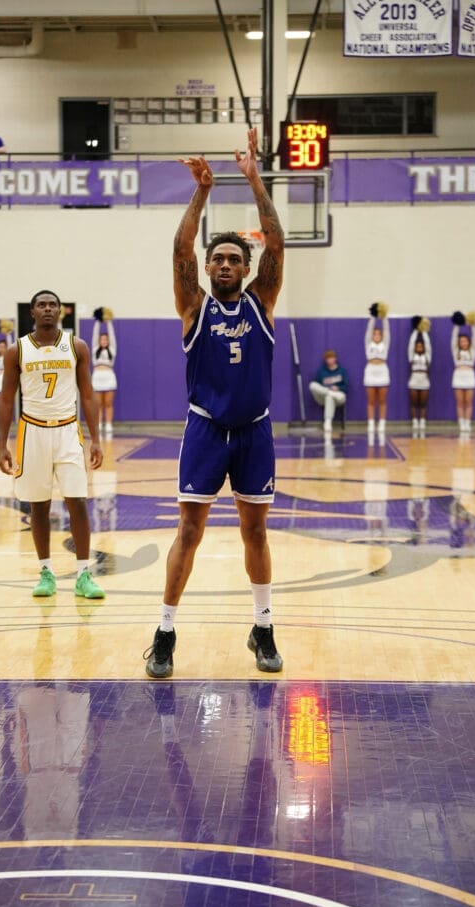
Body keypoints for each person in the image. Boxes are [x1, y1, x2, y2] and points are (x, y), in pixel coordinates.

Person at [143, 127, 284, 679]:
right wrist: (201, 190)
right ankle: (164, 631)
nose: (225, 264)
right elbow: (179, 248)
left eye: (233, 259)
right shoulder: (193, 307)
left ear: (247, 269)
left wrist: (253, 178)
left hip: (254, 432)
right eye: (217, 259)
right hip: (205, 432)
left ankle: (264, 626)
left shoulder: (262, 304)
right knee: (189, 533)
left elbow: (276, 241)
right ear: (207, 268)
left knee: (255, 532)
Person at [0, 289, 106, 599]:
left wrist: (96, 439)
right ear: (32, 312)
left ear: (62, 311)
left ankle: (84, 574)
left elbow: (87, 395)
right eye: (41, 305)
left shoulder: (77, 346)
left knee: (78, 502)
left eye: (52, 305)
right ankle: (46, 571)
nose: (47, 309)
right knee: (39, 506)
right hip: (31, 431)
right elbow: (6, 400)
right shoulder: (17, 351)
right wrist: (2, 444)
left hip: (67, 430)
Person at [363, 302, 390, 443]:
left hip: (383, 371)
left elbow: (387, 330)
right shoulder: (369, 343)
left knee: (382, 400)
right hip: (370, 371)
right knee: (371, 401)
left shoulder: (385, 344)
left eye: (379, 333)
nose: (377, 335)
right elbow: (368, 330)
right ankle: (371, 423)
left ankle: (382, 424)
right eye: (375, 333)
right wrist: (373, 317)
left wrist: (383, 317)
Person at [450, 312, 475, 435]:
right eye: (461, 341)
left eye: (465, 341)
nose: (463, 343)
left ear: (468, 342)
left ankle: (468, 422)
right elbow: (453, 339)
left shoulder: (472, 351)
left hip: (470, 376)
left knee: (468, 401)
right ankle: (461, 422)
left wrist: (472, 325)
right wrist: (457, 325)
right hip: (458, 376)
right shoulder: (455, 351)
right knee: (460, 401)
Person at [91, 307, 118, 438]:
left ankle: (108, 424)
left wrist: (108, 322)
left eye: (105, 340)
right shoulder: (95, 349)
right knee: (98, 404)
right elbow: (95, 335)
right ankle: (99, 424)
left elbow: (112, 336)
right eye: (102, 339)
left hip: (109, 376)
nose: (104, 341)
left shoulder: (112, 350)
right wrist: (98, 321)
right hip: (97, 377)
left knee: (108, 403)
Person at [308, 349, 348, 434]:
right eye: (328, 358)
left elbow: (346, 386)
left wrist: (338, 388)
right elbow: (317, 386)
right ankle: (330, 393)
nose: (330, 360)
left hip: (339, 396)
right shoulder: (321, 372)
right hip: (324, 395)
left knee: (330, 397)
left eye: (332, 358)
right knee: (313, 385)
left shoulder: (342, 371)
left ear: (335, 359)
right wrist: (328, 390)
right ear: (325, 360)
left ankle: (328, 422)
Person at [407, 317, 432, 437]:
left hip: (424, 380)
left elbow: (428, 344)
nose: (419, 347)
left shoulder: (427, 357)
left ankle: (422, 421)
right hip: (414, 379)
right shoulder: (411, 356)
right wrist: (416, 330)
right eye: (418, 346)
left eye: (421, 346)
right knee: (414, 402)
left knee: (423, 403)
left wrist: (424, 331)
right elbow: (411, 344)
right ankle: (414, 421)